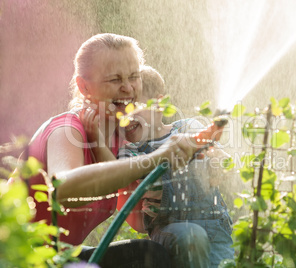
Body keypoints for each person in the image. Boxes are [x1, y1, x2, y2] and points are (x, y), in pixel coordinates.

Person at [21, 33, 199, 267]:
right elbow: (63, 189)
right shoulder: (66, 130)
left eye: (134, 76)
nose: (127, 87)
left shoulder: (120, 140)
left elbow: (137, 219)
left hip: (58, 257)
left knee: (150, 254)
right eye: (114, 79)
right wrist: (158, 157)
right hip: (16, 253)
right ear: (84, 86)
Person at [82, 65, 234, 267]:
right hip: (170, 229)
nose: (126, 117)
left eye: (134, 106)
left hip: (215, 227)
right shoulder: (131, 152)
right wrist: (98, 142)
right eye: (121, 110)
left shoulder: (189, 128)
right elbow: (112, 174)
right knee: (192, 236)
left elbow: (219, 158)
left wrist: (218, 164)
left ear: (160, 104)